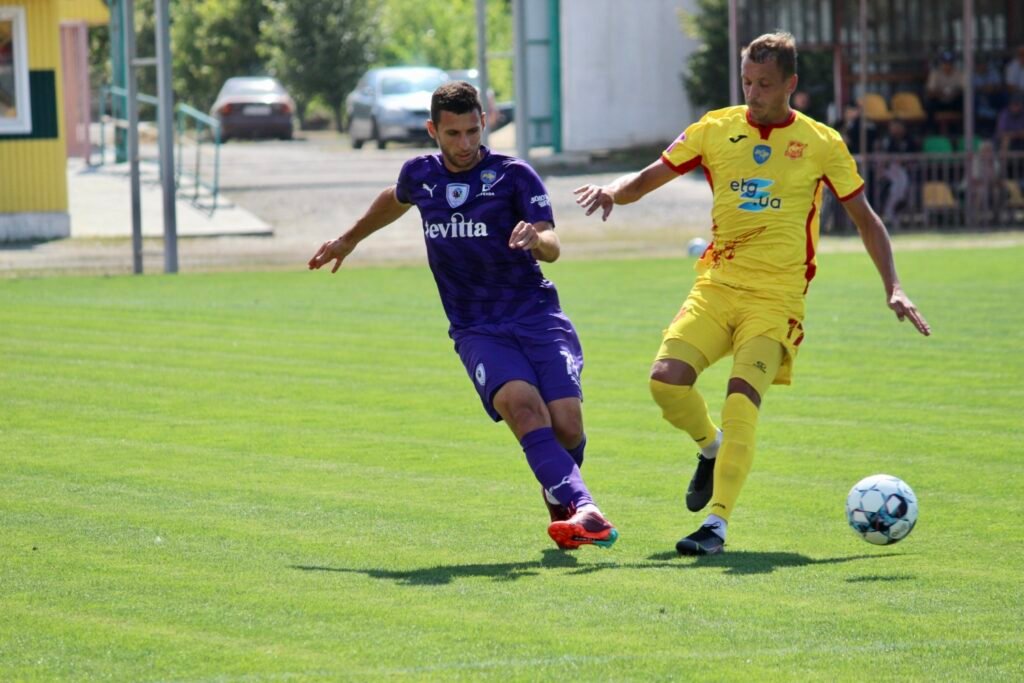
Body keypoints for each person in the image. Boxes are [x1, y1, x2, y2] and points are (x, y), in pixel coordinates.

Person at [573, 31, 931, 556]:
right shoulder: (714, 128)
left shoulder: (822, 143)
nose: (753, 92)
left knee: (741, 399)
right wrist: (612, 192)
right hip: (717, 285)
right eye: (747, 81)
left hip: (776, 299)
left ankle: (715, 523)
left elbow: (865, 218)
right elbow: (649, 177)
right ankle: (710, 447)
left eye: (764, 83)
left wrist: (894, 286)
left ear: (790, 84)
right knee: (665, 382)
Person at [308, 81, 617, 550]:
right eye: (453, 134)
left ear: (484, 123)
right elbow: (395, 197)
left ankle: (560, 494)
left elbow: (552, 244)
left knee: (568, 425)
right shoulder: (420, 174)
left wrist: (536, 240)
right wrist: (348, 239)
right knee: (522, 408)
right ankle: (587, 509)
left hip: (535, 314)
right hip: (477, 328)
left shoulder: (514, 175)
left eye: (473, 131)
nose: (466, 143)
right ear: (433, 130)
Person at [925, 50, 964, 135]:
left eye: (950, 63)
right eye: (945, 63)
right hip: (940, 102)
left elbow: (963, 90)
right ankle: (931, 131)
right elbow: (930, 92)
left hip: (953, 101)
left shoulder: (959, 73)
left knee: (965, 102)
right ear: (942, 63)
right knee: (929, 104)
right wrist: (940, 93)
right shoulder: (935, 74)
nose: (947, 65)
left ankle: (963, 130)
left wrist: (954, 93)